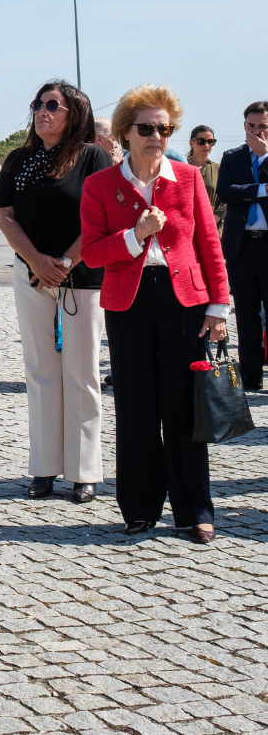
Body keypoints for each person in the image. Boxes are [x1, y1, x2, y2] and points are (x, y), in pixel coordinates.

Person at [80, 84, 228, 543]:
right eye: (146, 129)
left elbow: (209, 244)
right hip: (130, 300)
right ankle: (140, 507)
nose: (156, 137)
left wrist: (219, 306)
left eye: (164, 129)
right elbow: (92, 252)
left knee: (185, 406)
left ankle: (195, 509)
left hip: (185, 300)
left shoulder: (187, 178)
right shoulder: (100, 184)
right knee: (136, 406)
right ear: (126, 132)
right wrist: (135, 235)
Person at [0, 81, 112, 503]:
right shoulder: (19, 159)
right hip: (31, 274)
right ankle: (43, 467)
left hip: (82, 276)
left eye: (53, 105)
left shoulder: (93, 157)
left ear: (74, 113)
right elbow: (4, 214)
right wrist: (36, 261)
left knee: (82, 373)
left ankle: (84, 471)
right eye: (38, 104)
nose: (42, 111)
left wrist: (62, 264)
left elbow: (99, 220)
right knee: (41, 371)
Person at [215, 102, 268, 389]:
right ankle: (250, 376)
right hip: (241, 247)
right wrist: (262, 189)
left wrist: (265, 157)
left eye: (263, 127)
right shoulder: (232, 156)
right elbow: (225, 192)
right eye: (251, 126)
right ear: (244, 126)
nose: (257, 132)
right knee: (246, 315)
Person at [187, 124, 223, 231]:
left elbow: (227, 197)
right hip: (186, 226)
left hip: (212, 228)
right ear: (191, 142)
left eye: (210, 142)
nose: (206, 145)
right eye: (201, 141)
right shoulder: (180, 167)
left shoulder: (219, 169)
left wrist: (214, 218)